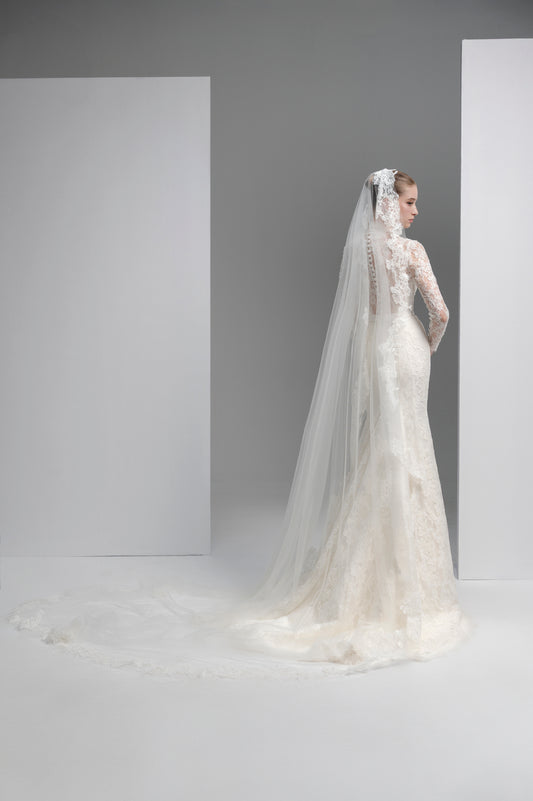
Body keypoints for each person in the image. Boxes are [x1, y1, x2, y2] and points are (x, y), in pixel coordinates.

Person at [8, 168, 473, 677]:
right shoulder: (412, 252)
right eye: (409, 202)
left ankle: (355, 584)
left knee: (381, 453)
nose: (415, 211)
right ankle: (413, 594)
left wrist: (381, 350)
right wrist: (424, 344)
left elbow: (360, 317)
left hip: (377, 353)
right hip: (406, 350)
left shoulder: (363, 249)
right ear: (391, 203)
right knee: (408, 449)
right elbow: (442, 313)